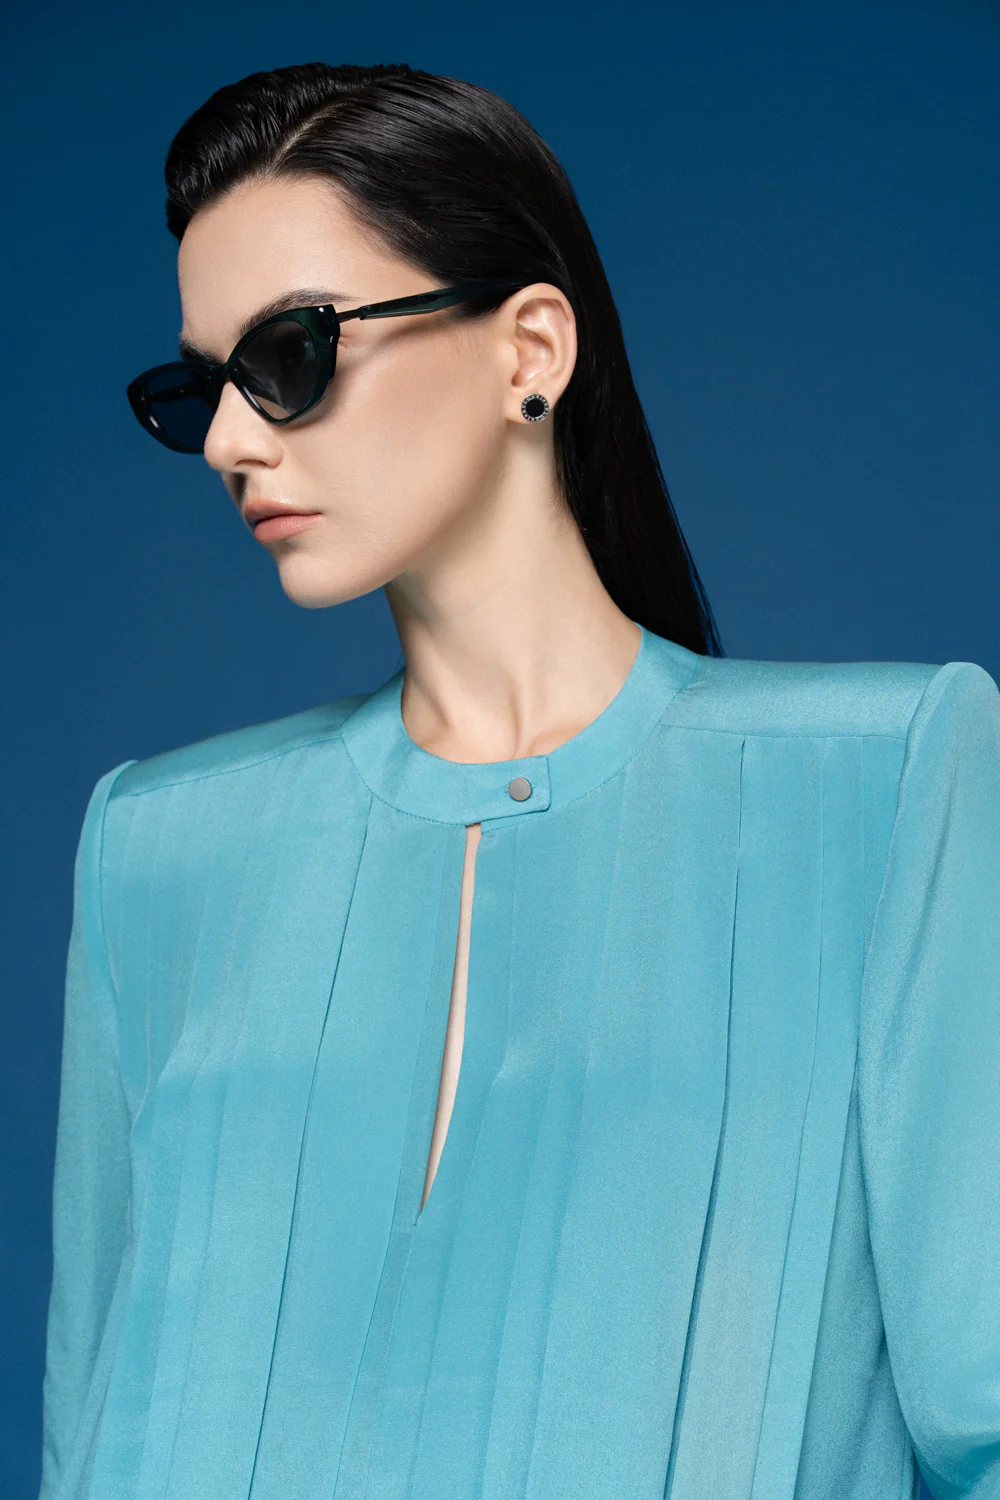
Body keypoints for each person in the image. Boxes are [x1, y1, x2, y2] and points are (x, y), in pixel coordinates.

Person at [38, 62, 1000, 1500]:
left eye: (291, 353)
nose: (233, 438)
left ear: (528, 349)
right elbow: (84, 1436)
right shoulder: (155, 853)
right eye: (204, 387)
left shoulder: (886, 783)